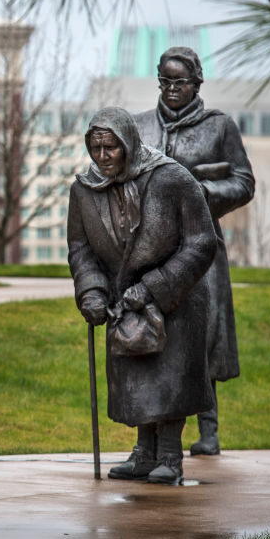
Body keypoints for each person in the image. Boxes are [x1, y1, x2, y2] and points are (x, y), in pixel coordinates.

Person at [68, 107, 217, 484]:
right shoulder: (84, 190)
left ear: (129, 144)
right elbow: (80, 248)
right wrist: (92, 291)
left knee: (171, 378)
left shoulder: (171, 178)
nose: (102, 157)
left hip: (176, 298)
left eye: (111, 148)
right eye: (95, 149)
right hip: (124, 300)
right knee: (138, 377)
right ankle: (144, 452)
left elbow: (202, 243)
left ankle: (169, 453)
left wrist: (155, 287)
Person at [133, 47, 255, 456]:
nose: (171, 89)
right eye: (164, 81)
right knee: (154, 336)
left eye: (179, 82)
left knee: (204, 334)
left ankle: (209, 429)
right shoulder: (140, 127)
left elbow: (244, 182)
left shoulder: (219, 128)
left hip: (201, 247)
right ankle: (151, 440)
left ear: (196, 83)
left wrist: (206, 193)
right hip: (150, 250)